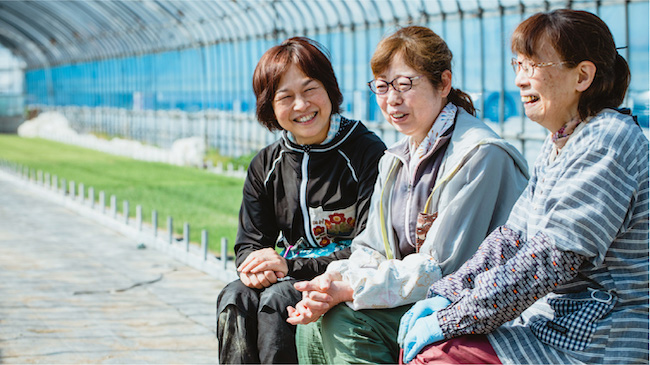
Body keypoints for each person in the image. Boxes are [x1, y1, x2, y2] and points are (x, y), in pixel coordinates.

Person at [398, 9, 649, 365]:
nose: (520, 79)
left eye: (533, 66)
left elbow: (552, 259)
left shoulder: (609, 138)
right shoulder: (562, 140)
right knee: (427, 348)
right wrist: (445, 295)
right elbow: (511, 239)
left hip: (596, 340)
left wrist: (451, 316)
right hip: (555, 327)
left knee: (438, 356)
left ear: (582, 75)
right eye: (518, 65)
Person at [282, 26, 530, 364]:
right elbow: (370, 248)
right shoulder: (396, 158)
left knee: (347, 320)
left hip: (470, 307)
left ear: (443, 83)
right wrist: (333, 281)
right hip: (415, 296)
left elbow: (445, 269)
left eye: (404, 84)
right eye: (382, 87)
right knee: (311, 321)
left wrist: (351, 290)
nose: (392, 100)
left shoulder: (479, 156)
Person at [215, 37, 386, 364]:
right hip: (289, 273)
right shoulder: (266, 164)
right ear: (269, 106)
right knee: (235, 295)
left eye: (310, 90)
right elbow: (249, 244)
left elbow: (369, 247)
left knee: (281, 297)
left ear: (330, 90)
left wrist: (289, 266)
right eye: (285, 96)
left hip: (344, 276)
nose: (301, 106)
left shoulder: (366, 152)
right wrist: (254, 267)